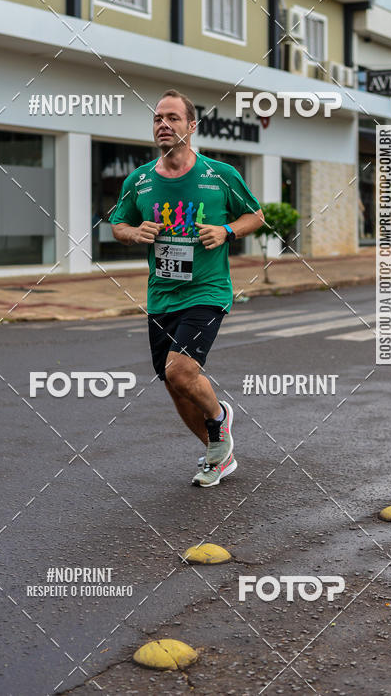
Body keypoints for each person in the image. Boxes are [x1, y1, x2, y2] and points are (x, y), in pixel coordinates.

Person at [110, 89, 264, 487]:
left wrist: (227, 230)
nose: (163, 124)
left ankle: (219, 420)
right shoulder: (139, 181)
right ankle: (218, 453)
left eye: (173, 118)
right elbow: (118, 224)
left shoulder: (219, 175)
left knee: (181, 371)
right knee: (174, 383)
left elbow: (255, 216)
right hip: (161, 295)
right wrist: (134, 233)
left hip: (207, 290)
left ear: (191, 126)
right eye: (158, 118)